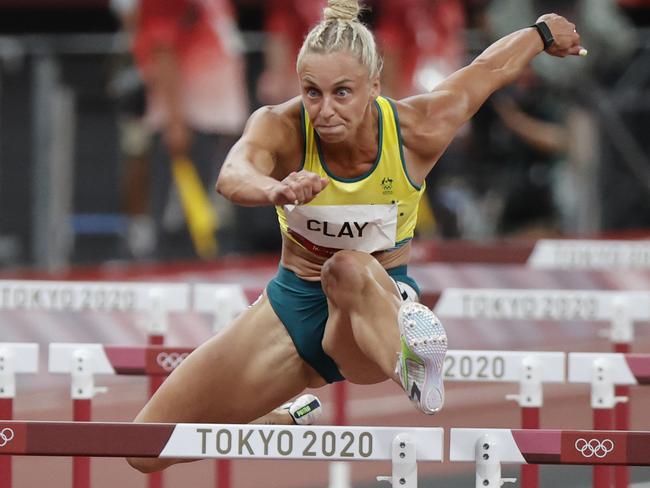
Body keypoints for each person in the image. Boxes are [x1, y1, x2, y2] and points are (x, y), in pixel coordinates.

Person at [127, 0, 584, 473]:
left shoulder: (416, 129)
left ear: (374, 87)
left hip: (369, 314)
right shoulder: (281, 127)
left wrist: (542, 33)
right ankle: (281, 420)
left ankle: (413, 361)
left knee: (345, 265)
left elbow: (487, 69)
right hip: (290, 310)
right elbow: (232, 173)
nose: (325, 112)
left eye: (342, 93)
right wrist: (275, 188)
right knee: (144, 449)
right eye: (312, 93)